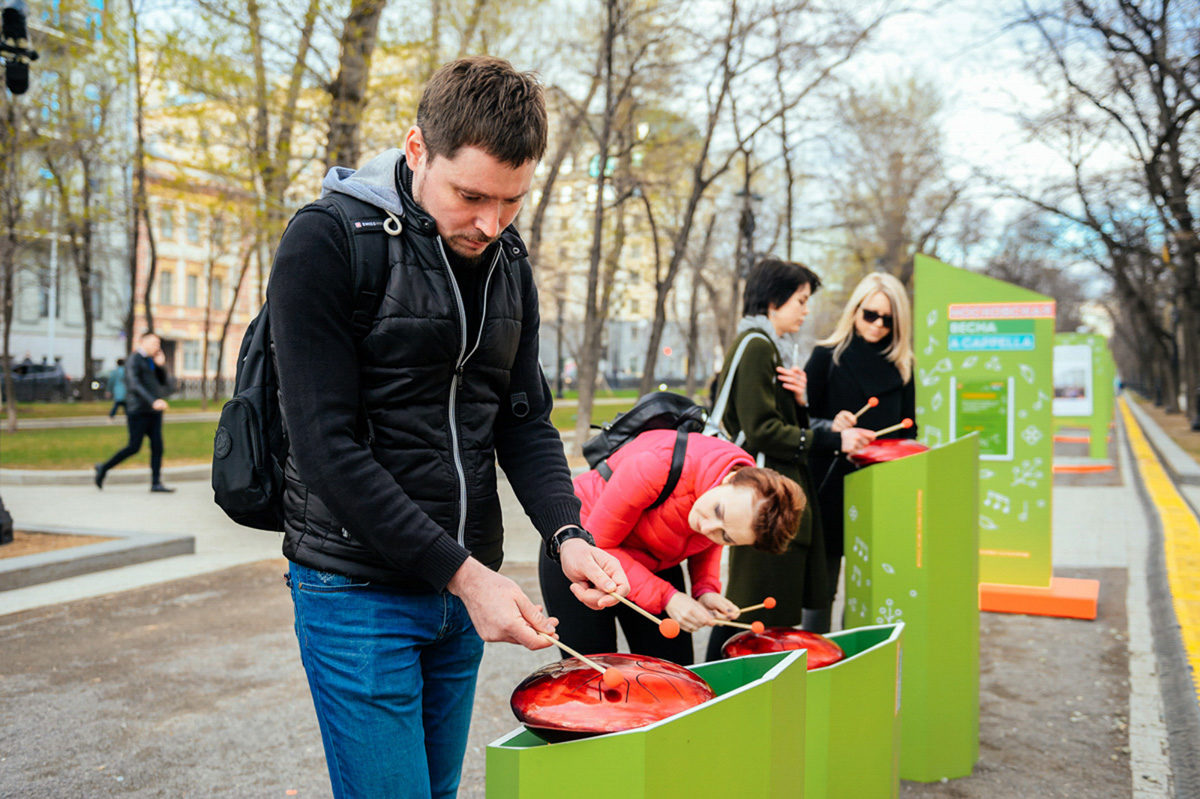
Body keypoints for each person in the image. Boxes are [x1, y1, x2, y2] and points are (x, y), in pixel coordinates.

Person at [265, 56, 629, 799]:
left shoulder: (508, 262)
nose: (490, 223)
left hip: (462, 592)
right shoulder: (326, 241)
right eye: (470, 196)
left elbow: (523, 419)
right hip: (355, 588)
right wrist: (468, 577)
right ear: (416, 149)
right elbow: (327, 448)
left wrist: (570, 535)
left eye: (512, 201)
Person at [703, 257, 875, 661]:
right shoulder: (758, 347)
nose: (805, 309)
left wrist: (800, 402)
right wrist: (832, 438)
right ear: (774, 301)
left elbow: (770, 424)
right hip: (762, 503)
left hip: (768, 498)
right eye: (800, 300)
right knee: (751, 610)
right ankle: (722, 686)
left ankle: (730, 687)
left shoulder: (765, 347)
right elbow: (762, 430)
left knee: (760, 609)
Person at [539, 429, 805, 665]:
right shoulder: (655, 464)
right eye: (718, 510)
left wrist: (706, 590)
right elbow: (600, 546)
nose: (707, 526)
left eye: (726, 537)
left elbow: (705, 543)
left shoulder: (726, 503)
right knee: (593, 673)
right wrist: (669, 597)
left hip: (650, 559)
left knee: (672, 672)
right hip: (581, 549)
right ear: (729, 478)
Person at [803, 272, 916, 631]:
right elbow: (800, 421)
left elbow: (910, 429)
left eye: (888, 319)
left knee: (871, 586)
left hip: (881, 489)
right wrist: (830, 425)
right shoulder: (825, 357)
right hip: (828, 484)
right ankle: (813, 667)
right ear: (855, 311)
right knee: (821, 591)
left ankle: (861, 665)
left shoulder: (904, 366)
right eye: (871, 315)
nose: (878, 325)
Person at [94, 332, 174, 492]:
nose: (157, 347)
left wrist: (161, 366)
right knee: (134, 447)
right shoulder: (134, 359)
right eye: (154, 343)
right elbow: (134, 384)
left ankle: (156, 483)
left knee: (157, 446)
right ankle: (103, 467)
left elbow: (164, 382)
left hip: (154, 412)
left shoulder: (151, 361)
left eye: (158, 344)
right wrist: (153, 401)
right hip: (138, 411)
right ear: (142, 342)